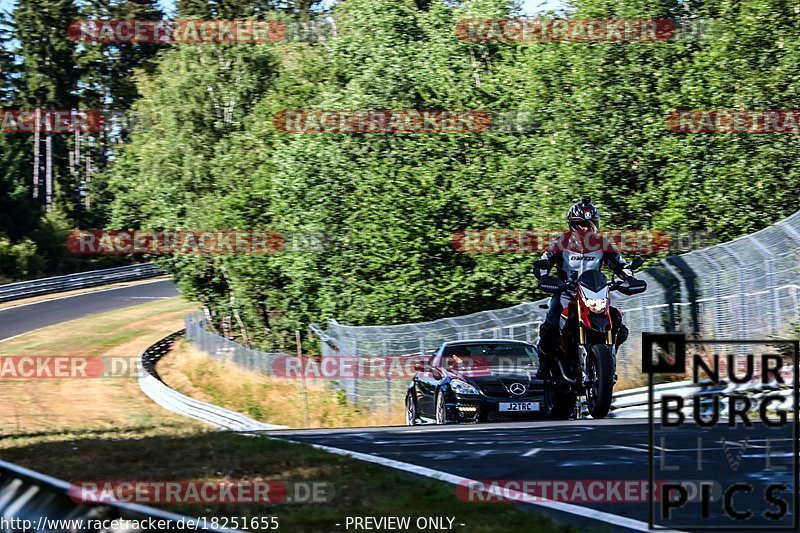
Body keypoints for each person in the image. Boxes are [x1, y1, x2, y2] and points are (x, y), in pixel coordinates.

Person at [535, 197, 631, 376]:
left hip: (595, 293)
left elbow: (620, 264)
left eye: (591, 223)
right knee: (551, 323)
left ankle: (605, 362)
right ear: (573, 224)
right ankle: (545, 363)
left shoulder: (603, 243)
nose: (588, 228)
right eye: (583, 224)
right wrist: (544, 277)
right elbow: (544, 261)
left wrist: (628, 277)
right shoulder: (561, 242)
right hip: (566, 292)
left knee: (618, 323)